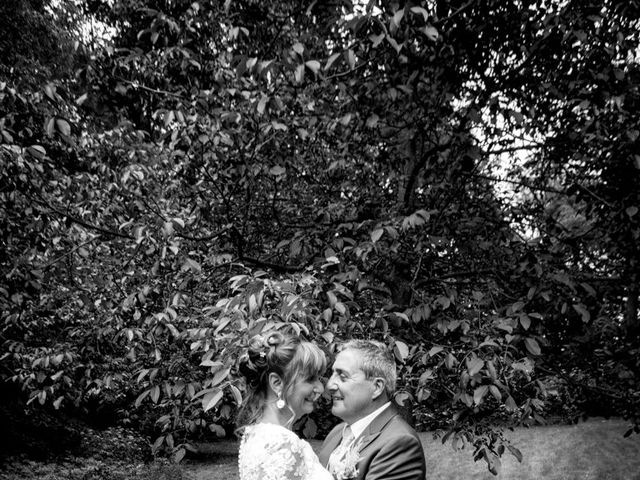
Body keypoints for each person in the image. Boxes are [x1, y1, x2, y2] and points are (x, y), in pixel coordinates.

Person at [319, 339, 426, 480]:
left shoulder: (399, 442)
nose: (330, 385)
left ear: (377, 387)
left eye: (343, 377)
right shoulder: (337, 433)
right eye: (332, 374)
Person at [237, 330, 333, 480]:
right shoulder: (283, 445)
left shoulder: (255, 434)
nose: (320, 388)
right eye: (310, 379)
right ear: (277, 383)